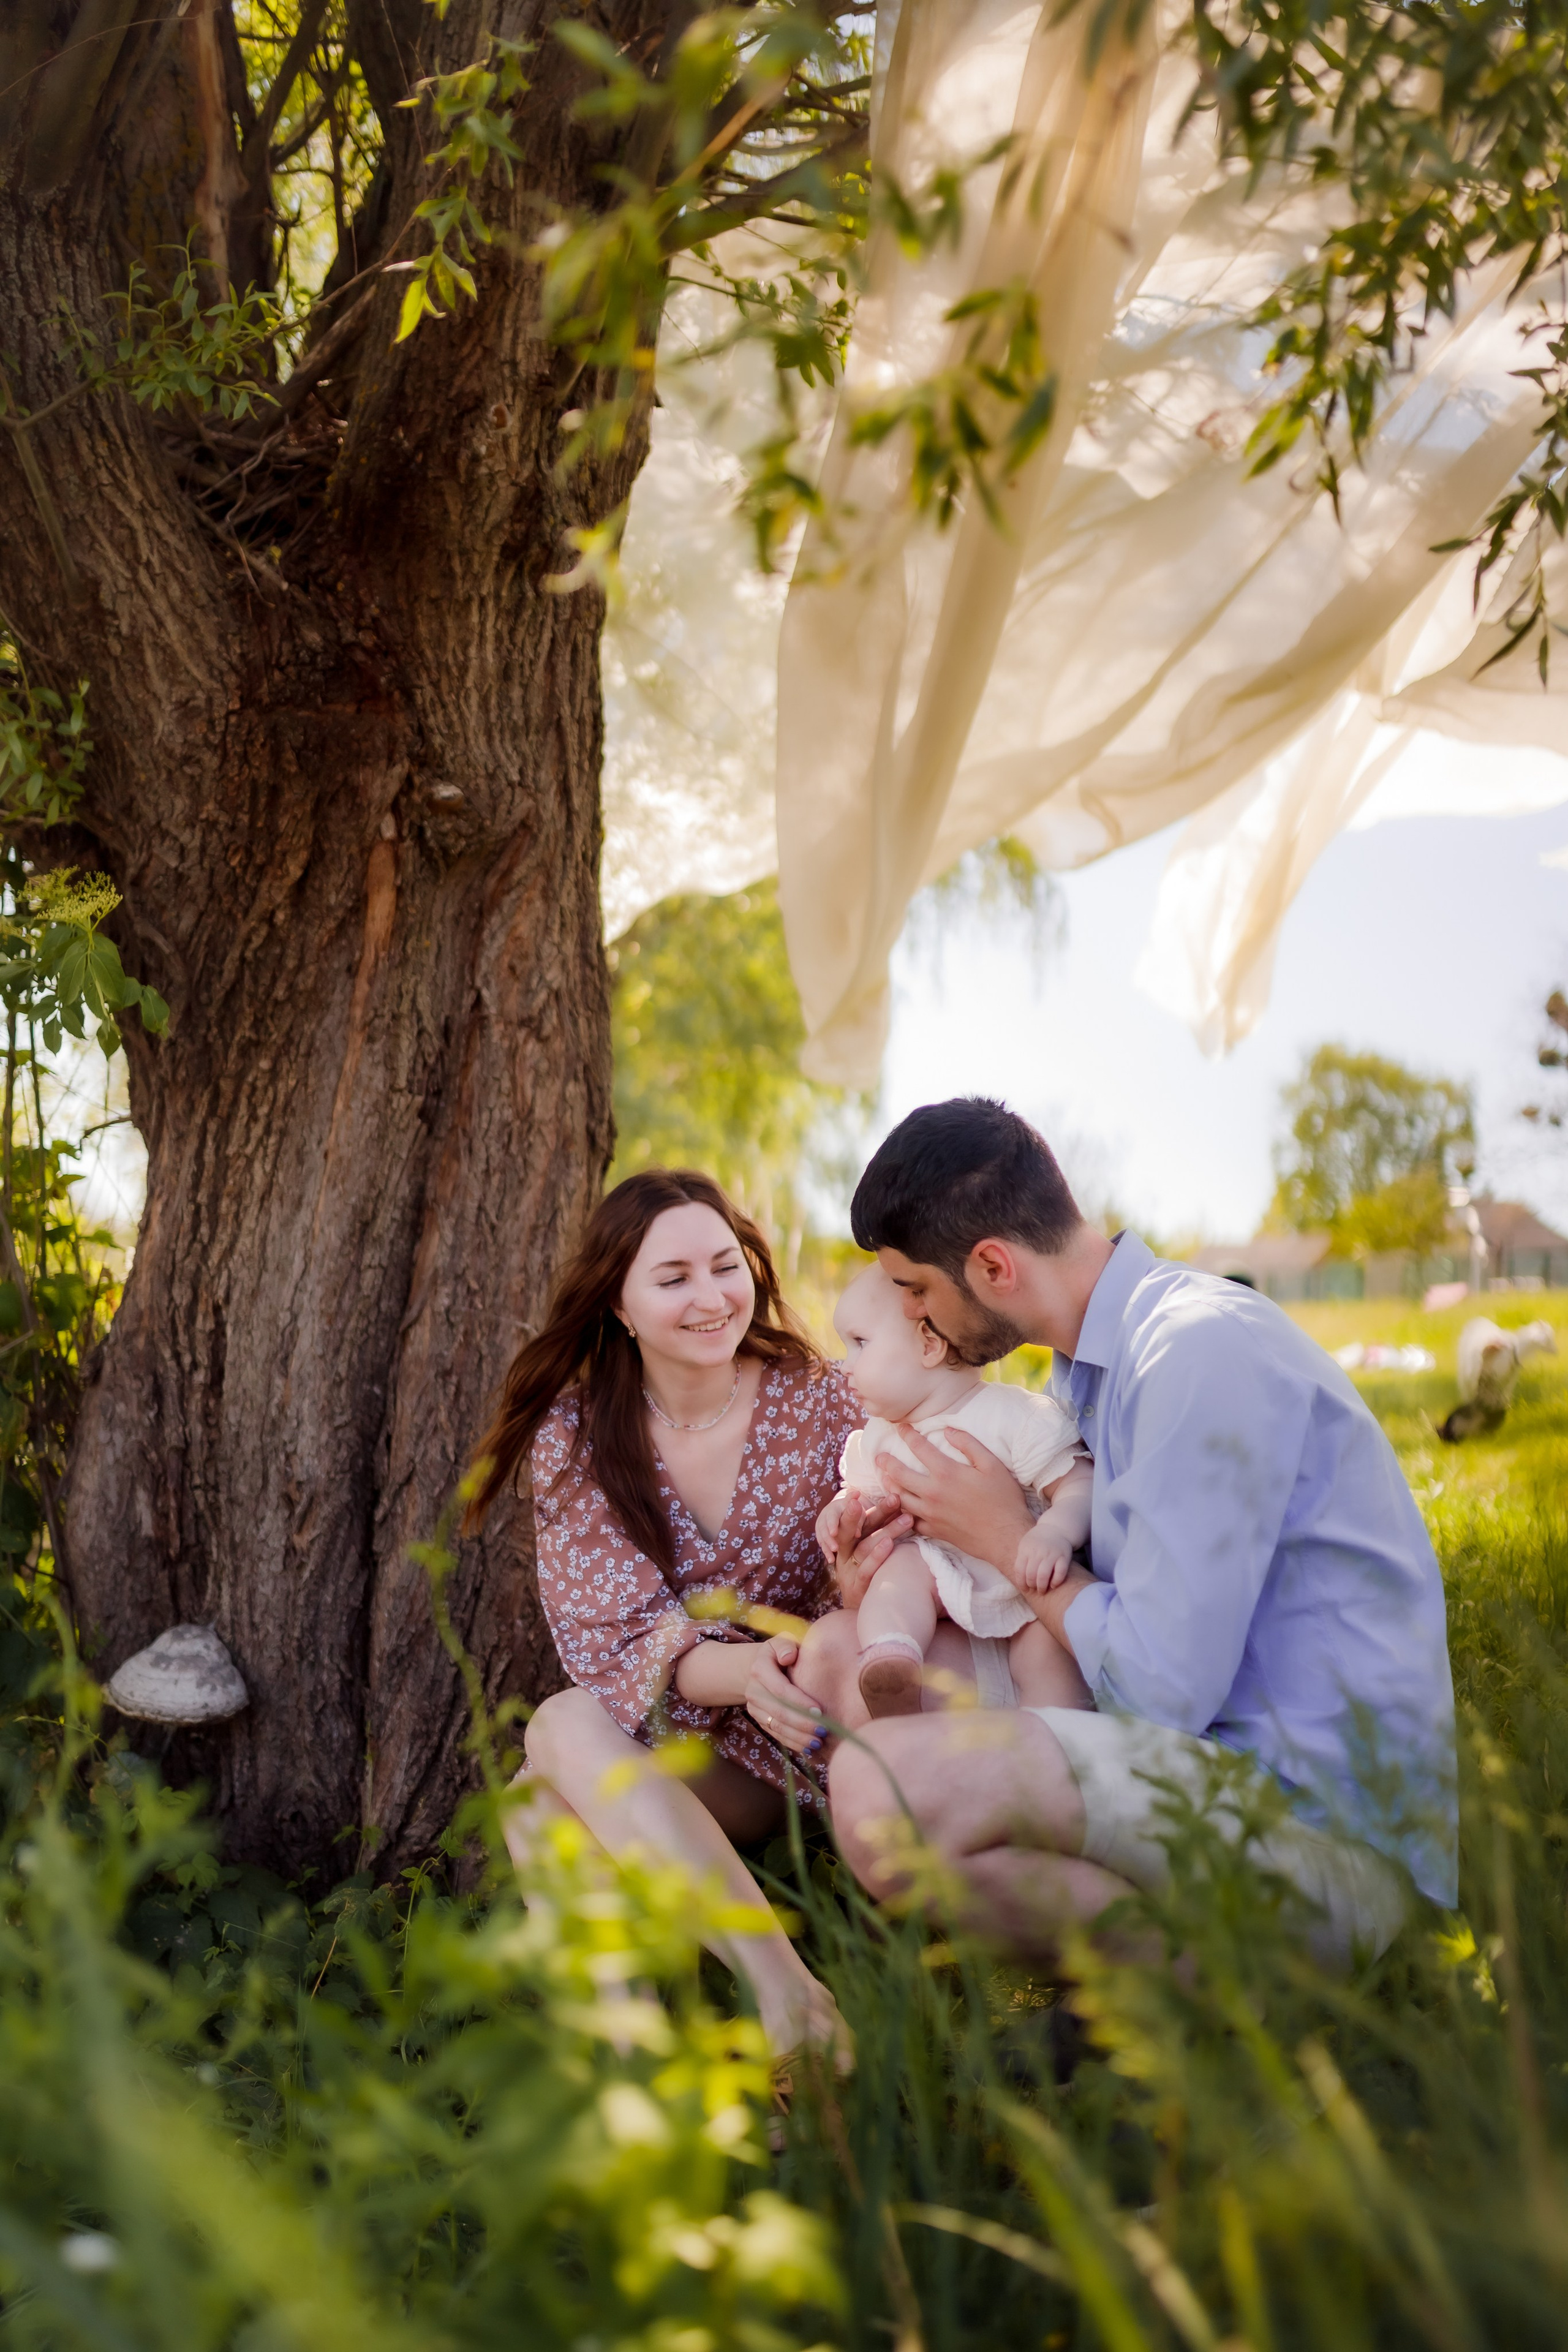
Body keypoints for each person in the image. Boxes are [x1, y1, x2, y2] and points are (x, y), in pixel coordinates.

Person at [817, 1098, 1457, 1970]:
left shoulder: (1193, 1353)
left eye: (919, 1291)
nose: (917, 1322)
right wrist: (905, 1566)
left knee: (875, 1790)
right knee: (834, 1665)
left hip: (1318, 1833)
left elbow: (1160, 1692)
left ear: (993, 1265)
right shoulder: (1085, 1375)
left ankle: (1214, 2003)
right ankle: (1148, 1998)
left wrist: (1006, 1537)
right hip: (1210, 1774)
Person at [465, 1169, 853, 2063]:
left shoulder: (823, 1398)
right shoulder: (580, 1432)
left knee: (555, 1738)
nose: (711, 1297)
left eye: (725, 1266)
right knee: (537, 1800)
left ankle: (744, 2024)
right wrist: (742, 1675)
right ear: (620, 1306)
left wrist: (781, 1669)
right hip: (698, 1735)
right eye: (672, 1279)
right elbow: (621, 1639)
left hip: (816, 1724)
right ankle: (663, 2038)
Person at [831, 1263, 1094, 1716]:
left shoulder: (1012, 1416)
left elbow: (1078, 1484)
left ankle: (1054, 1745)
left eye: (859, 1344)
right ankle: (892, 1659)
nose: (844, 1365)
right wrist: (840, 1514)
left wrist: (1055, 1533)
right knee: (900, 1574)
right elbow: (858, 1494)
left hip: (1027, 1586)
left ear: (929, 1345)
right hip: (938, 1577)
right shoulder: (878, 1436)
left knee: (1048, 1661)